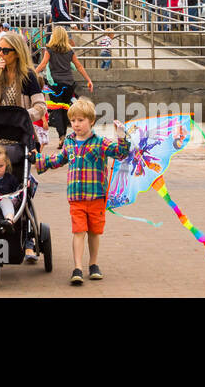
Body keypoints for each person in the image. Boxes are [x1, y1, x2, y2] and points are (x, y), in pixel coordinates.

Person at [34, 99, 132, 284]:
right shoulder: (69, 142)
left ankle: (93, 264)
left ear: (91, 121)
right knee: (78, 231)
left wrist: (121, 135)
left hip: (96, 196)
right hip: (76, 197)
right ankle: (77, 267)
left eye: (80, 120)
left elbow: (120, 153)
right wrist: (39, 159)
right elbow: (59, 159)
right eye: (73, 121)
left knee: (94, 232)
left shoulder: (100, 142)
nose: (76, 125)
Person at [36, 26, 93, 146]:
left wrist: (32, 73)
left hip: (55, 85)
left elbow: (43, 64)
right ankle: (64, 136)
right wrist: (88, 80)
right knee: (65, 109)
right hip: (68, 84)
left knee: (56, 110)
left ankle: (61, 135)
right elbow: (79, 66)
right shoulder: (69, 50)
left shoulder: (49, 50)